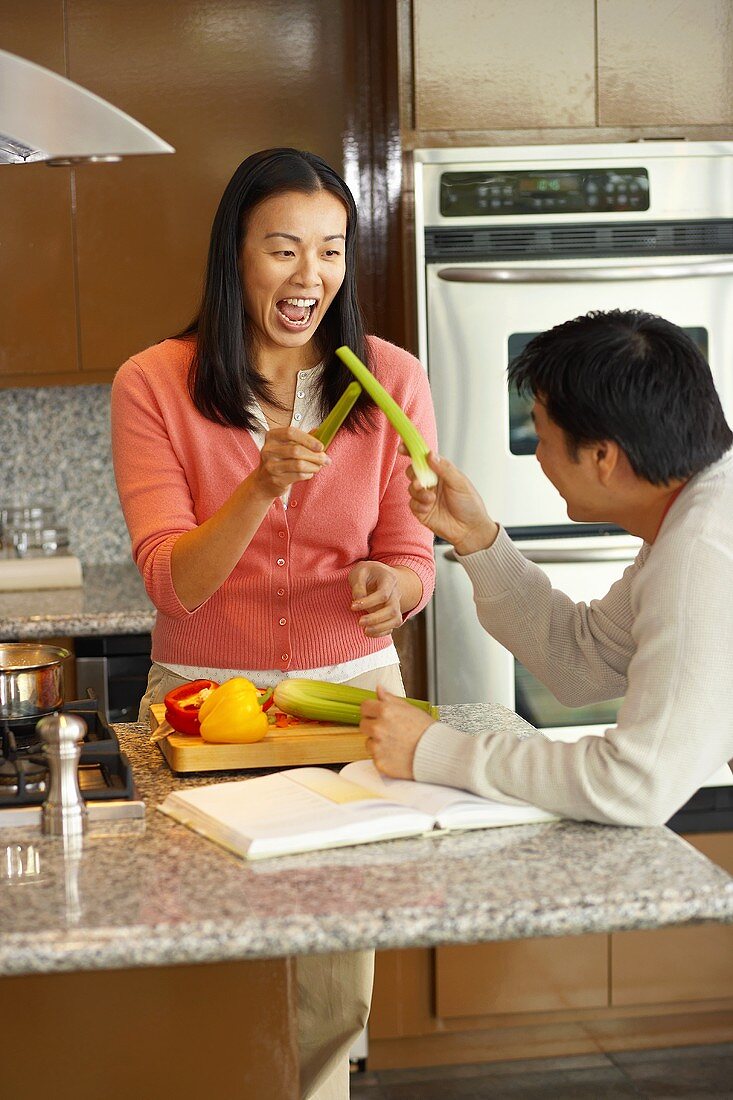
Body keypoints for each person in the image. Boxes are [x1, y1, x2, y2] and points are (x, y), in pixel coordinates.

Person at [110, 147, 437, 1100]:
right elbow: (174, 584)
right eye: (284, 250)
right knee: (210, 967)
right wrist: (260, 485)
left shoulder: (387, 378)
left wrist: (396, 586)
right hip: (206, 711)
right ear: (235, 256)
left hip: (351, 704)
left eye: (331, 251)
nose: (312, 277)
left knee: (334, 985)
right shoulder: (155, 384)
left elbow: (410, 555)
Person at [361, 309, 733, 828]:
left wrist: (437, 752)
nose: (537, 454)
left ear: (602, 456)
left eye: (542, 435)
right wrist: (477, 538)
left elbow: (634, 784)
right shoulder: (694, 514)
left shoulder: (704, 554)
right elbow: (582, 661)